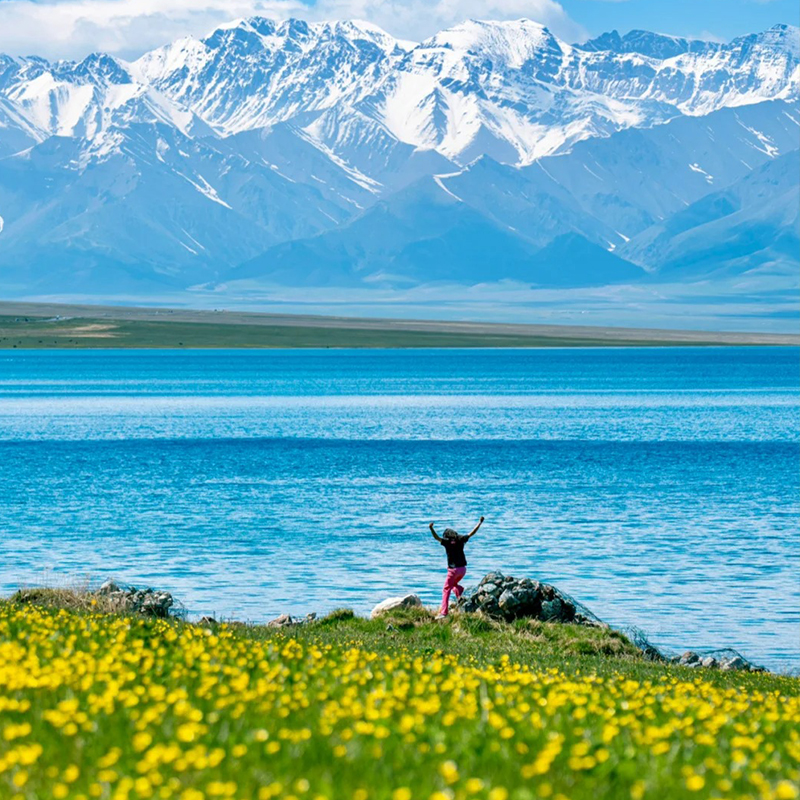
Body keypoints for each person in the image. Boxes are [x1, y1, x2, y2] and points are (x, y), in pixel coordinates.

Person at [429, 516, 484, 618]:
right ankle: (459, 594)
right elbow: (472, 533)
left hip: (453, 570)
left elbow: (436, 538)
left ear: (446, 536)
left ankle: (444, 613)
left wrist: (431, 528)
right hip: (462, 570)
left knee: (446, 589)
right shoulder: (460, 539)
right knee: (453, 584)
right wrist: (479, 523)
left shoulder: (447, 542)